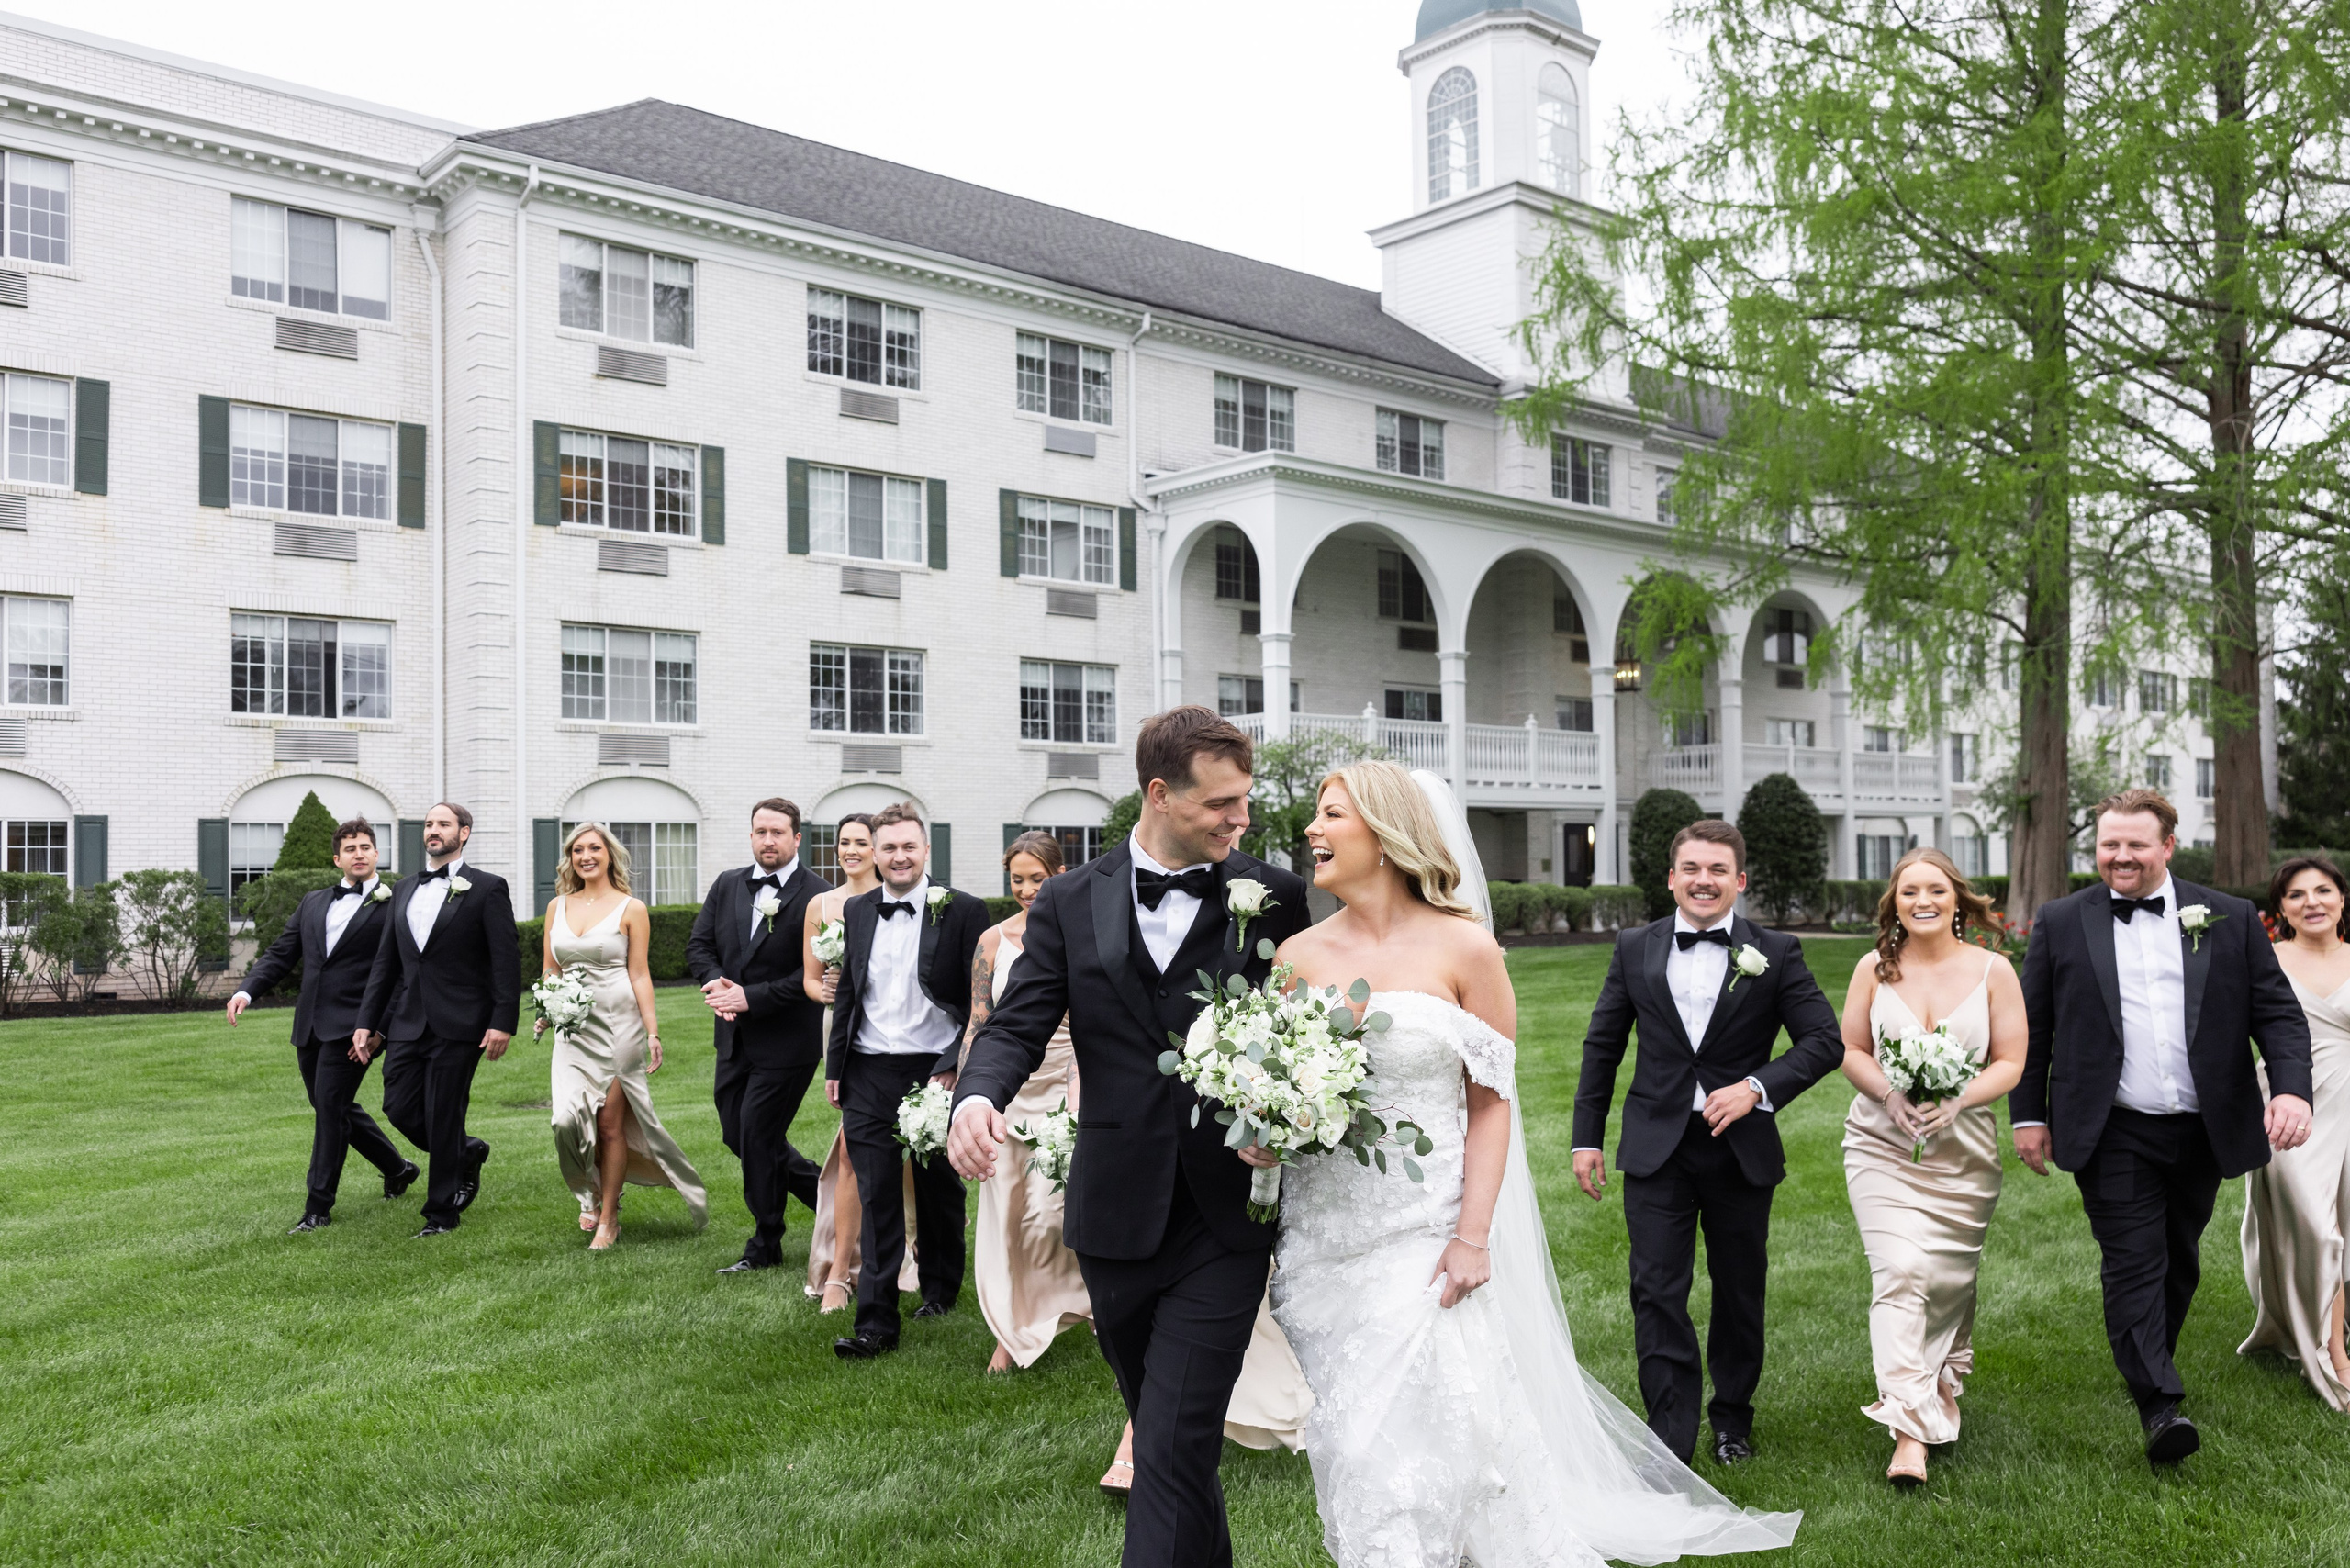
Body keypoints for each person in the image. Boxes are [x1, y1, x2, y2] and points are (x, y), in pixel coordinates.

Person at [1264, 761, 1797, 1564]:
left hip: (1427, 1229)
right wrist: (1260, 1127)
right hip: (1322, 1236)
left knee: (1422, 1427)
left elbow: (1490, 1101)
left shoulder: (1466, 949)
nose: (1312, 829)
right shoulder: (1295, 958)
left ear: (1385, 833)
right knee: (1350, 1434)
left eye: (1331, 814)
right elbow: (1278, 1096)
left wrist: (1473, 1235)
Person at [951, 707, 1312, 1568]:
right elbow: (1019, 1020)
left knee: (1171, 1437)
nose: (1243, 819)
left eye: (1246, 801)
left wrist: (1285, 1121)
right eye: (1223, 803)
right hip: (1113, 1210)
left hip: (1227, 1211)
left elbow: (1309, 1034)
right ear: (1160, 793)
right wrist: (975, 1097)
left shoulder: (1275, 895)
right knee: (1171, 1434)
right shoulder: (1073, 900)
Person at [2012, 788, 2314, 1464]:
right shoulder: (2062, 921)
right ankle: (2158, 1404)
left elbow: (2279, 1016)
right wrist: (2029, 1114)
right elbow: (2035, 1028)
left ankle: (2151, 1361)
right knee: (2132, 1259)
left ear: (2167, 847)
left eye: (2135, 845)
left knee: (2179, 1257)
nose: (2119, 857)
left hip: (2204, 1125)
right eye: (2108, 845)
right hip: (2112, 1125)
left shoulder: (2229, 918)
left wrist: (2292, 1090)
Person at [1571, 818, 1846, 1467]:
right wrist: (1587, 1138)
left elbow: (1824, 1042)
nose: (1703, 880)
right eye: (1691, 869)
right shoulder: (1635, 945)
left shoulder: (1775, 952)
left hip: (1739, 1149)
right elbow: (1603, 1045)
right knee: (1657, 1290)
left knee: (1739, 1289)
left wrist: (1756, 1085)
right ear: (1671, 878)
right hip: (1656, 1148)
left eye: (1718, 870)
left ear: (1739, 881)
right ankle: (1671, 1435)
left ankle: (1732, 1420)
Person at [1835, 847, 2025, 1486]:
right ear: (1895, 902)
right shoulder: (1874, 967)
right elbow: (1852, 1049)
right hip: (1880, 1145)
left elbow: (2010, 1060)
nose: (1923, 901)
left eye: (1936, 890)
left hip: (1963, 1155)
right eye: (1910, 891)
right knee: (1901, 1271)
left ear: (1956, 899)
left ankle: (1936, 1383)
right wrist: (1889, 1094)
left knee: (1945, 1283)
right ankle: (1908, 1433)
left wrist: (1959, 1097)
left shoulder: (1994, 970)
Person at [828, 802, 990, 1358]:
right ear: (873, 854)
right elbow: (849, 992)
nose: (899, 857)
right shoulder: (857, 911)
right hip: (869, 1068)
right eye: (888, 848)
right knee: (877, 1197)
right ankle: (876, 1324)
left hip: (934, 1068)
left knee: (939, 1186)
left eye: (909, 847)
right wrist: (836, 1069)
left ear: (926, 851)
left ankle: (941, 1287)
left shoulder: (964, 911)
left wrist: (956, 1065)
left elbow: (978, 1002)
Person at [225, 816, 417, 1233]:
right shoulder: (313, 902)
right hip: (310, 1025)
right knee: (334, 1106)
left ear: (377, 854)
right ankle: (397, 1168)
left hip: (356, 1029)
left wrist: (380, 1029)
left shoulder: (397, 901)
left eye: (365, 847)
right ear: (338, 859)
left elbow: (403, 974)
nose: (359, 854)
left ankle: (318, 1208)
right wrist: (246, 991)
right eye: (350, 849)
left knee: (329, 1111)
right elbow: (281, 953)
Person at [353, 802, 520, 1238]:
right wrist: (367, 1022)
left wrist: (503, 1021)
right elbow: (385, 964)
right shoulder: (404, 888)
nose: (433, 830)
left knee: (444, 1112)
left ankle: (440, 1214)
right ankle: (466, 1153)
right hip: (408, 1020)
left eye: (443, 824)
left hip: (461, 1021)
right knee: (398, 1106)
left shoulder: (487, 888)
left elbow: (505, 961)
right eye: (429, 824)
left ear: (464, 833)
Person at [539, 823, 707, 1249]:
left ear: (609, 854)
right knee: (566, 1120)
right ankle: (591, 1187)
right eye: (578, 849)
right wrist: (546, 1010)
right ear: (570, 858)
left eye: (594, 848)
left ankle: (608, 1217)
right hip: (572, 1029)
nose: (586, 856)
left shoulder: (632, 908)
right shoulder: (557, 906)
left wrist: (652, 1031)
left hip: (619, 1025)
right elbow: (550, 970)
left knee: (611, 1125)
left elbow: (639, 972)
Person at [964, 831, 1091, 1375]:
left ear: (1060, 876)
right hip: (1009, 1094)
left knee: (1054, 1217)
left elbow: (1093, 1023)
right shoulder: (992, 941)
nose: (1026, 890)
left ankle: (1084, 1307)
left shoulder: (1079, 934)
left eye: (1037, 879)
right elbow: (979, 1021)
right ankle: (1009, 1330)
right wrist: (965, 1092)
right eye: (1017, 879)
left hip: (1065, 1088)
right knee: (1008, 1217)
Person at [686, 799, 829, 1274]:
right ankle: (830, 1196)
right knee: (738, 1134)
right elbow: (700, 945)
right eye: (760, 831)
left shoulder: (818, 896)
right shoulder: (728, 884)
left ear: (796, 838)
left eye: (777, 832)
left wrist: (752, 996)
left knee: (759, 1133)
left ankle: (765, 1243)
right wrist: (716, 984)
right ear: (751, 835)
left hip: (787, 1040)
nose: (768, 840)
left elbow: (812, 974)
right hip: (732, 1036)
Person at [2239, 854, 2350, 1408]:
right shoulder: (2266, 958)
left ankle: (2336, 1335)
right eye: (2297, 894)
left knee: (2346, 1223)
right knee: (2312, 1222)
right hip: (2288, 1106)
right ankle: (2329, 1350)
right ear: (2280, 908)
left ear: (2342, 898)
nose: (2313, 902)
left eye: (2323, 890)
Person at [801, 813, 914, 1311]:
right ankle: (839, 1270)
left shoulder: (905, 901)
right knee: (852, 1153)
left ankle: (907, 1255)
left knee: (907, 1156)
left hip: (904, 1038)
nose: (850, 850)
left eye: (860, 843)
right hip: (845, 1034)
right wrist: (824, 990)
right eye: (843, 842)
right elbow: (810, 979)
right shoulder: (821, 905)